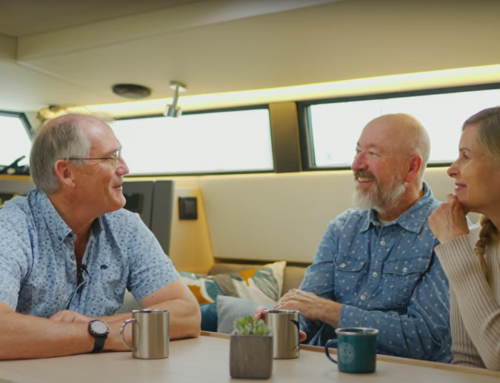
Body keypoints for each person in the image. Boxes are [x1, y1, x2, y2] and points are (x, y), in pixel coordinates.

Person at [0, 113, 200, 360]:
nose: (124, 168)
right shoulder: (10, 228)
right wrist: (96, 334)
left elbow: (187, 314)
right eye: (110, 157)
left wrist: (99, 327)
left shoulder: (126, 227)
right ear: (67, 173)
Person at [256, 113, 451, 362]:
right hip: (326, 369)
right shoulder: (341, 228)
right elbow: (308, 310)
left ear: (411, 167)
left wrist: (330, 311)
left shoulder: (447, 230)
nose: (357, 164)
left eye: (372, 153)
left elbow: (425, 339)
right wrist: (280, 321)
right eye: (357, 151)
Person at [429, 107, 500, 370]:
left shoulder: (459, 242)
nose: (452, 169)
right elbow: (467, 360)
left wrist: (454, 246)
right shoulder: (473, 240)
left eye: (465, 156)